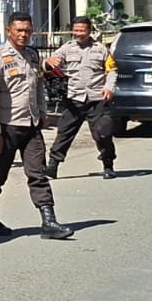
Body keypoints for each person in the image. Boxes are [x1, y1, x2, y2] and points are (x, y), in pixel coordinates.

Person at [0, 13, 73, 241]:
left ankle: (49, 221)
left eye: (27, 30)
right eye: (19, 30)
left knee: (38, 173)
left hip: (31, 124)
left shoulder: (32, 55)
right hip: (8, 126)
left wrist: (42, 111)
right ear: (8, 31)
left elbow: (38, 84)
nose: (23, 35)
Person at [44, 16, 119, 179]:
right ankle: (52, 166)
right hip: (75, 99)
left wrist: (109, 87)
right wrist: (47, 63)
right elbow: (49, 65)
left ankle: (108, 165)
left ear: (89, 31)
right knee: (64, 133)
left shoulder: (100, 49)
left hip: (97, 99)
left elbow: (112, 70)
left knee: (103, 133)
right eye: (75, 30)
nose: (78, 33)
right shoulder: (67, 48)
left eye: (82, 30)